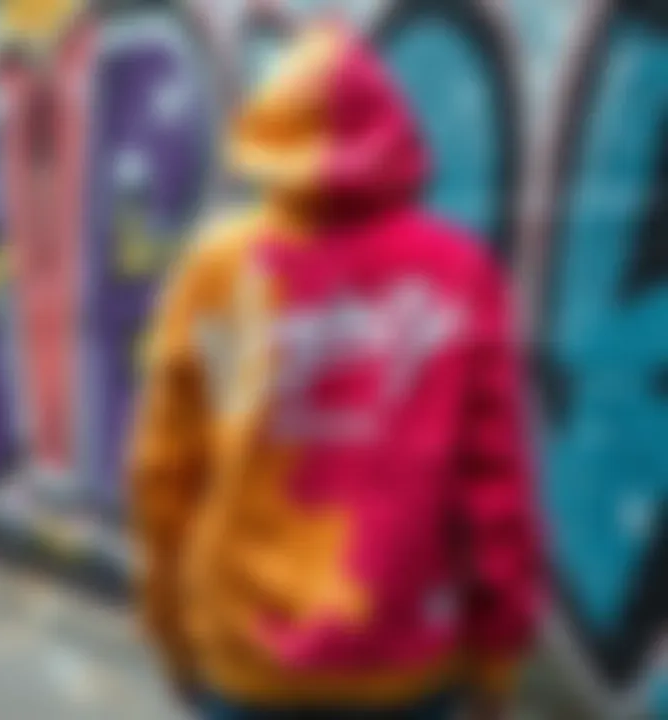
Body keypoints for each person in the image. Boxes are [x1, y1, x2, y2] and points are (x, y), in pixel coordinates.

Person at [128, 23, 542, 720]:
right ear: (398, 137)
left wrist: (170, 634)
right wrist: (497, 659)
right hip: (408, 665)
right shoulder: (461, 272)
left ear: (267, 134)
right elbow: (498, 488)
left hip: (243, 662)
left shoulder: (214, 268)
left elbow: (161, 478)